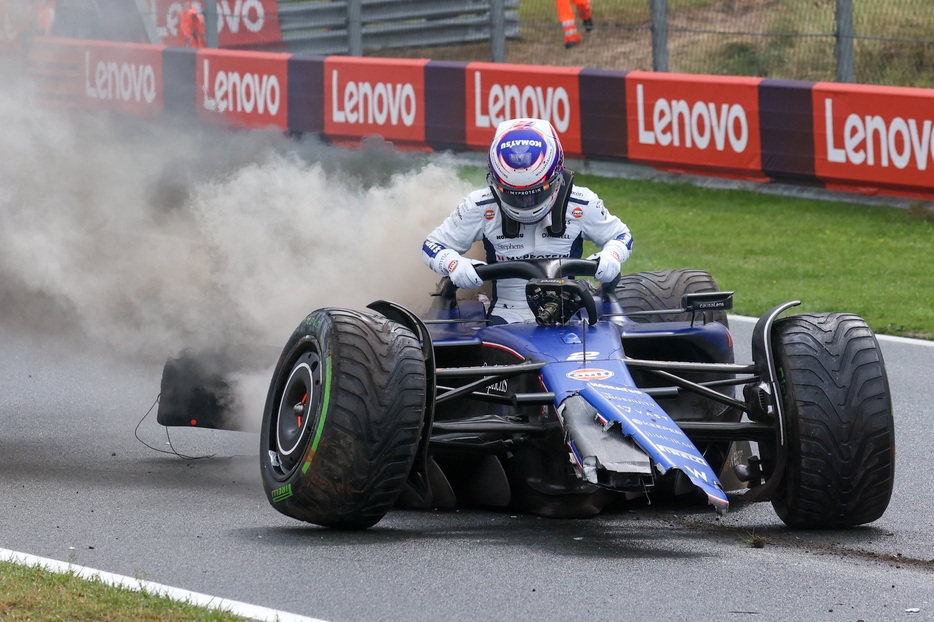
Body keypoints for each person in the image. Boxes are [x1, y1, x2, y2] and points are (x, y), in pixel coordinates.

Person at [422, 118, 632, 324]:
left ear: (557, 178)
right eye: (513, 194)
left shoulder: (582, 202)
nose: (525, 203)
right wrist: (453, 263)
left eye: (534, 194)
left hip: (568, 317)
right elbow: (432, 245)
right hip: (504, 320)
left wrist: (612, 256)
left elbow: (621, 236)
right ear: (494, 182)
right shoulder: (479, 205)